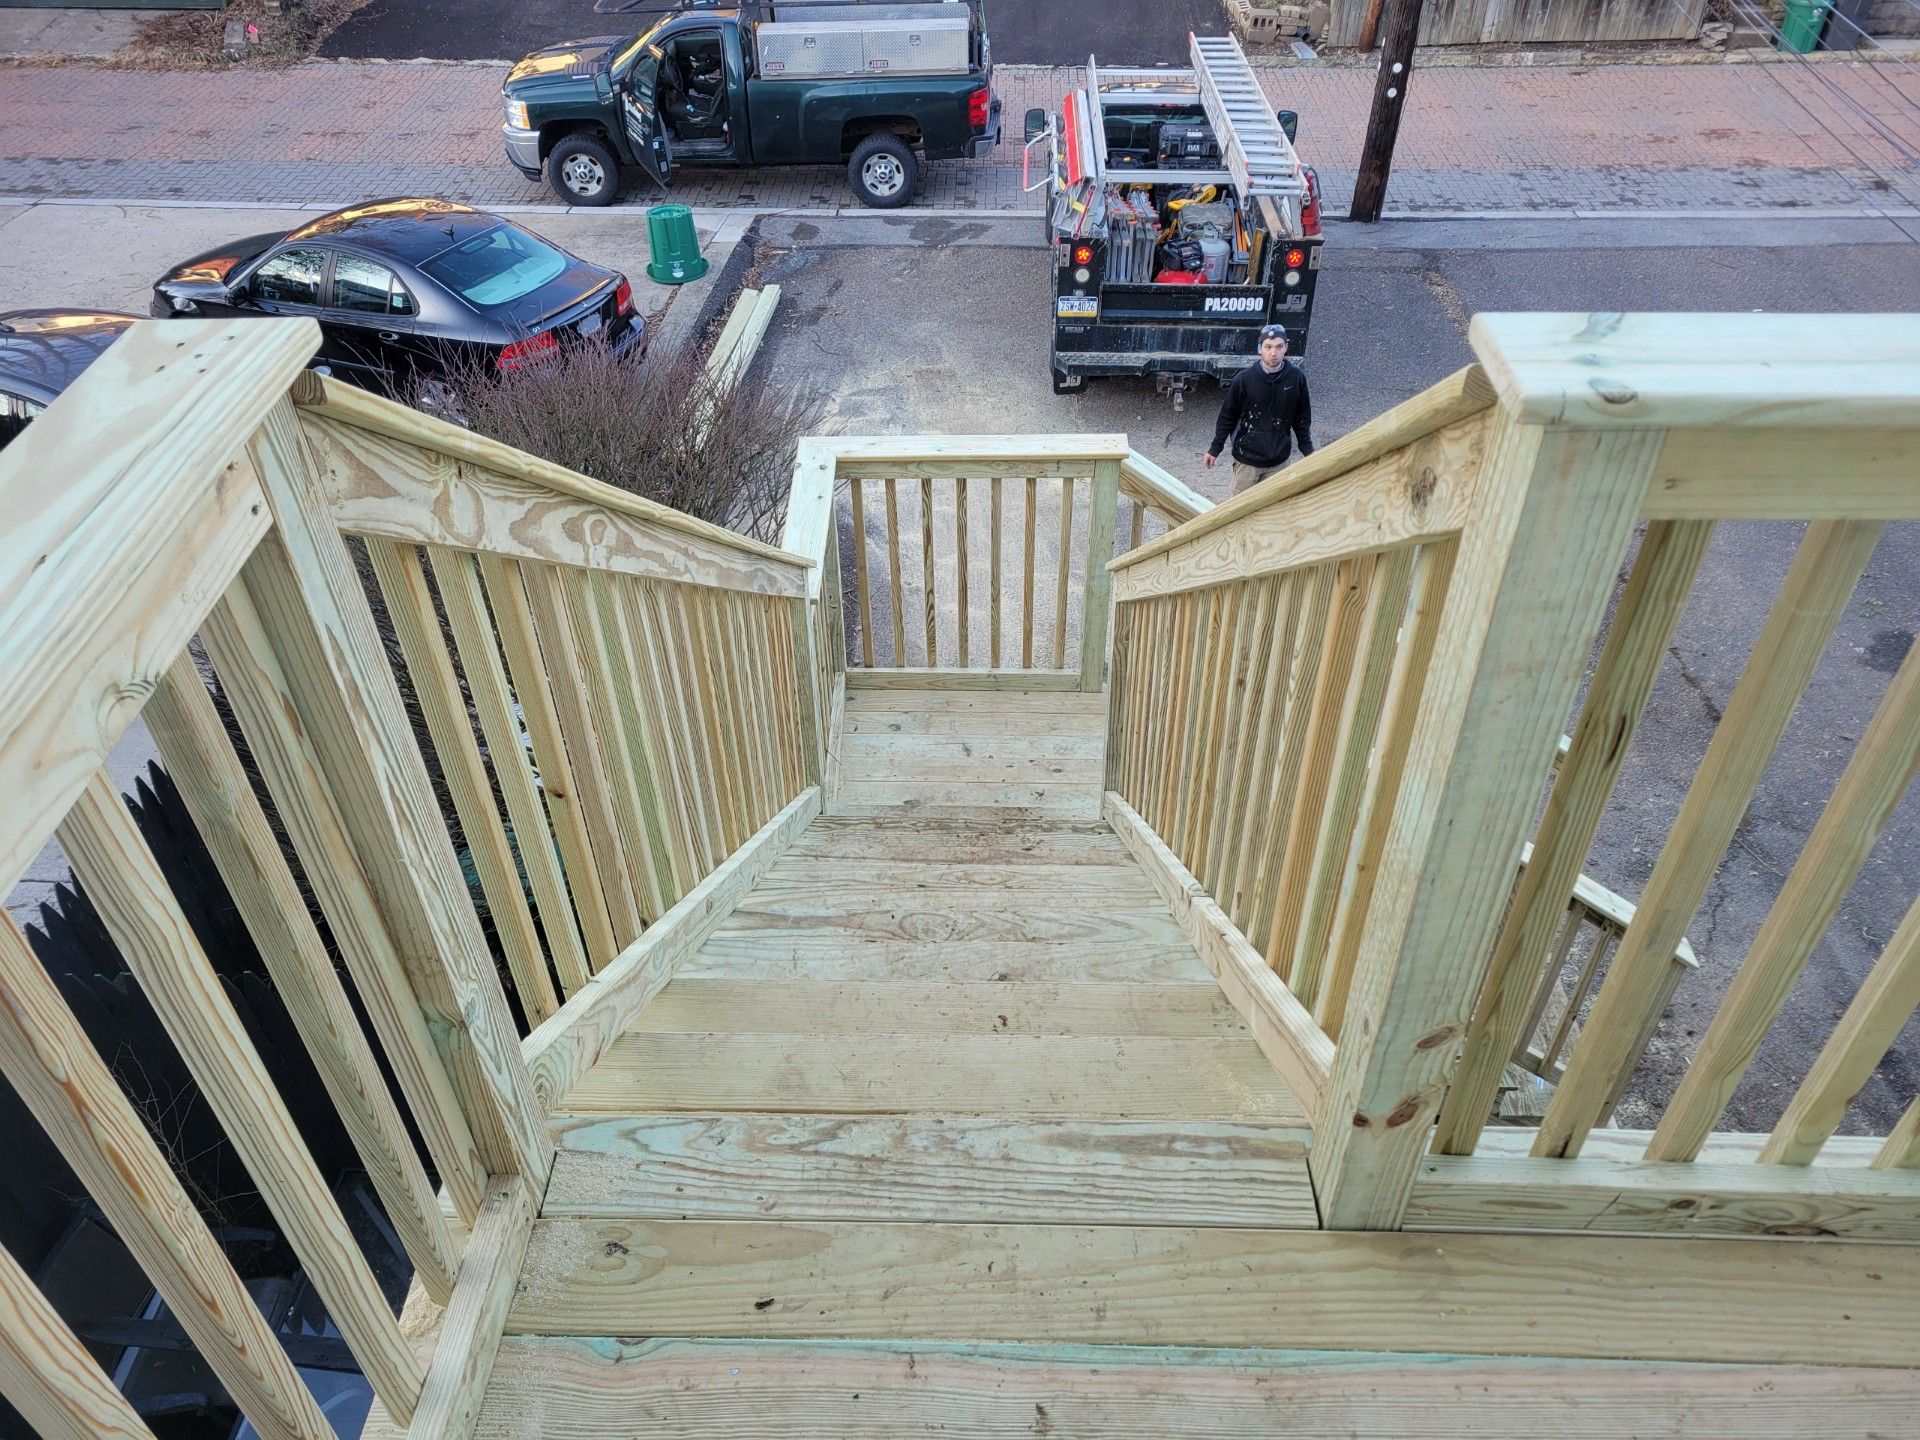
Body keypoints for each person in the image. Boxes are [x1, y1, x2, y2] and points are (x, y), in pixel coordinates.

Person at [1203, 324, 1313, 495]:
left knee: (1273, 510)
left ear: (1286, 348)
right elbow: (1227, 416)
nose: (1273, 352)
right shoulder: (1244, 380)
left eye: (1279, 347)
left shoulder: (1296, 378)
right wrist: (1215, 449)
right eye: (1268, 347)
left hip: (1278, 463)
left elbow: (1302, 417)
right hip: (1247, 462)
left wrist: (1308, 450)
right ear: (1259, 349)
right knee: (1239, 511)